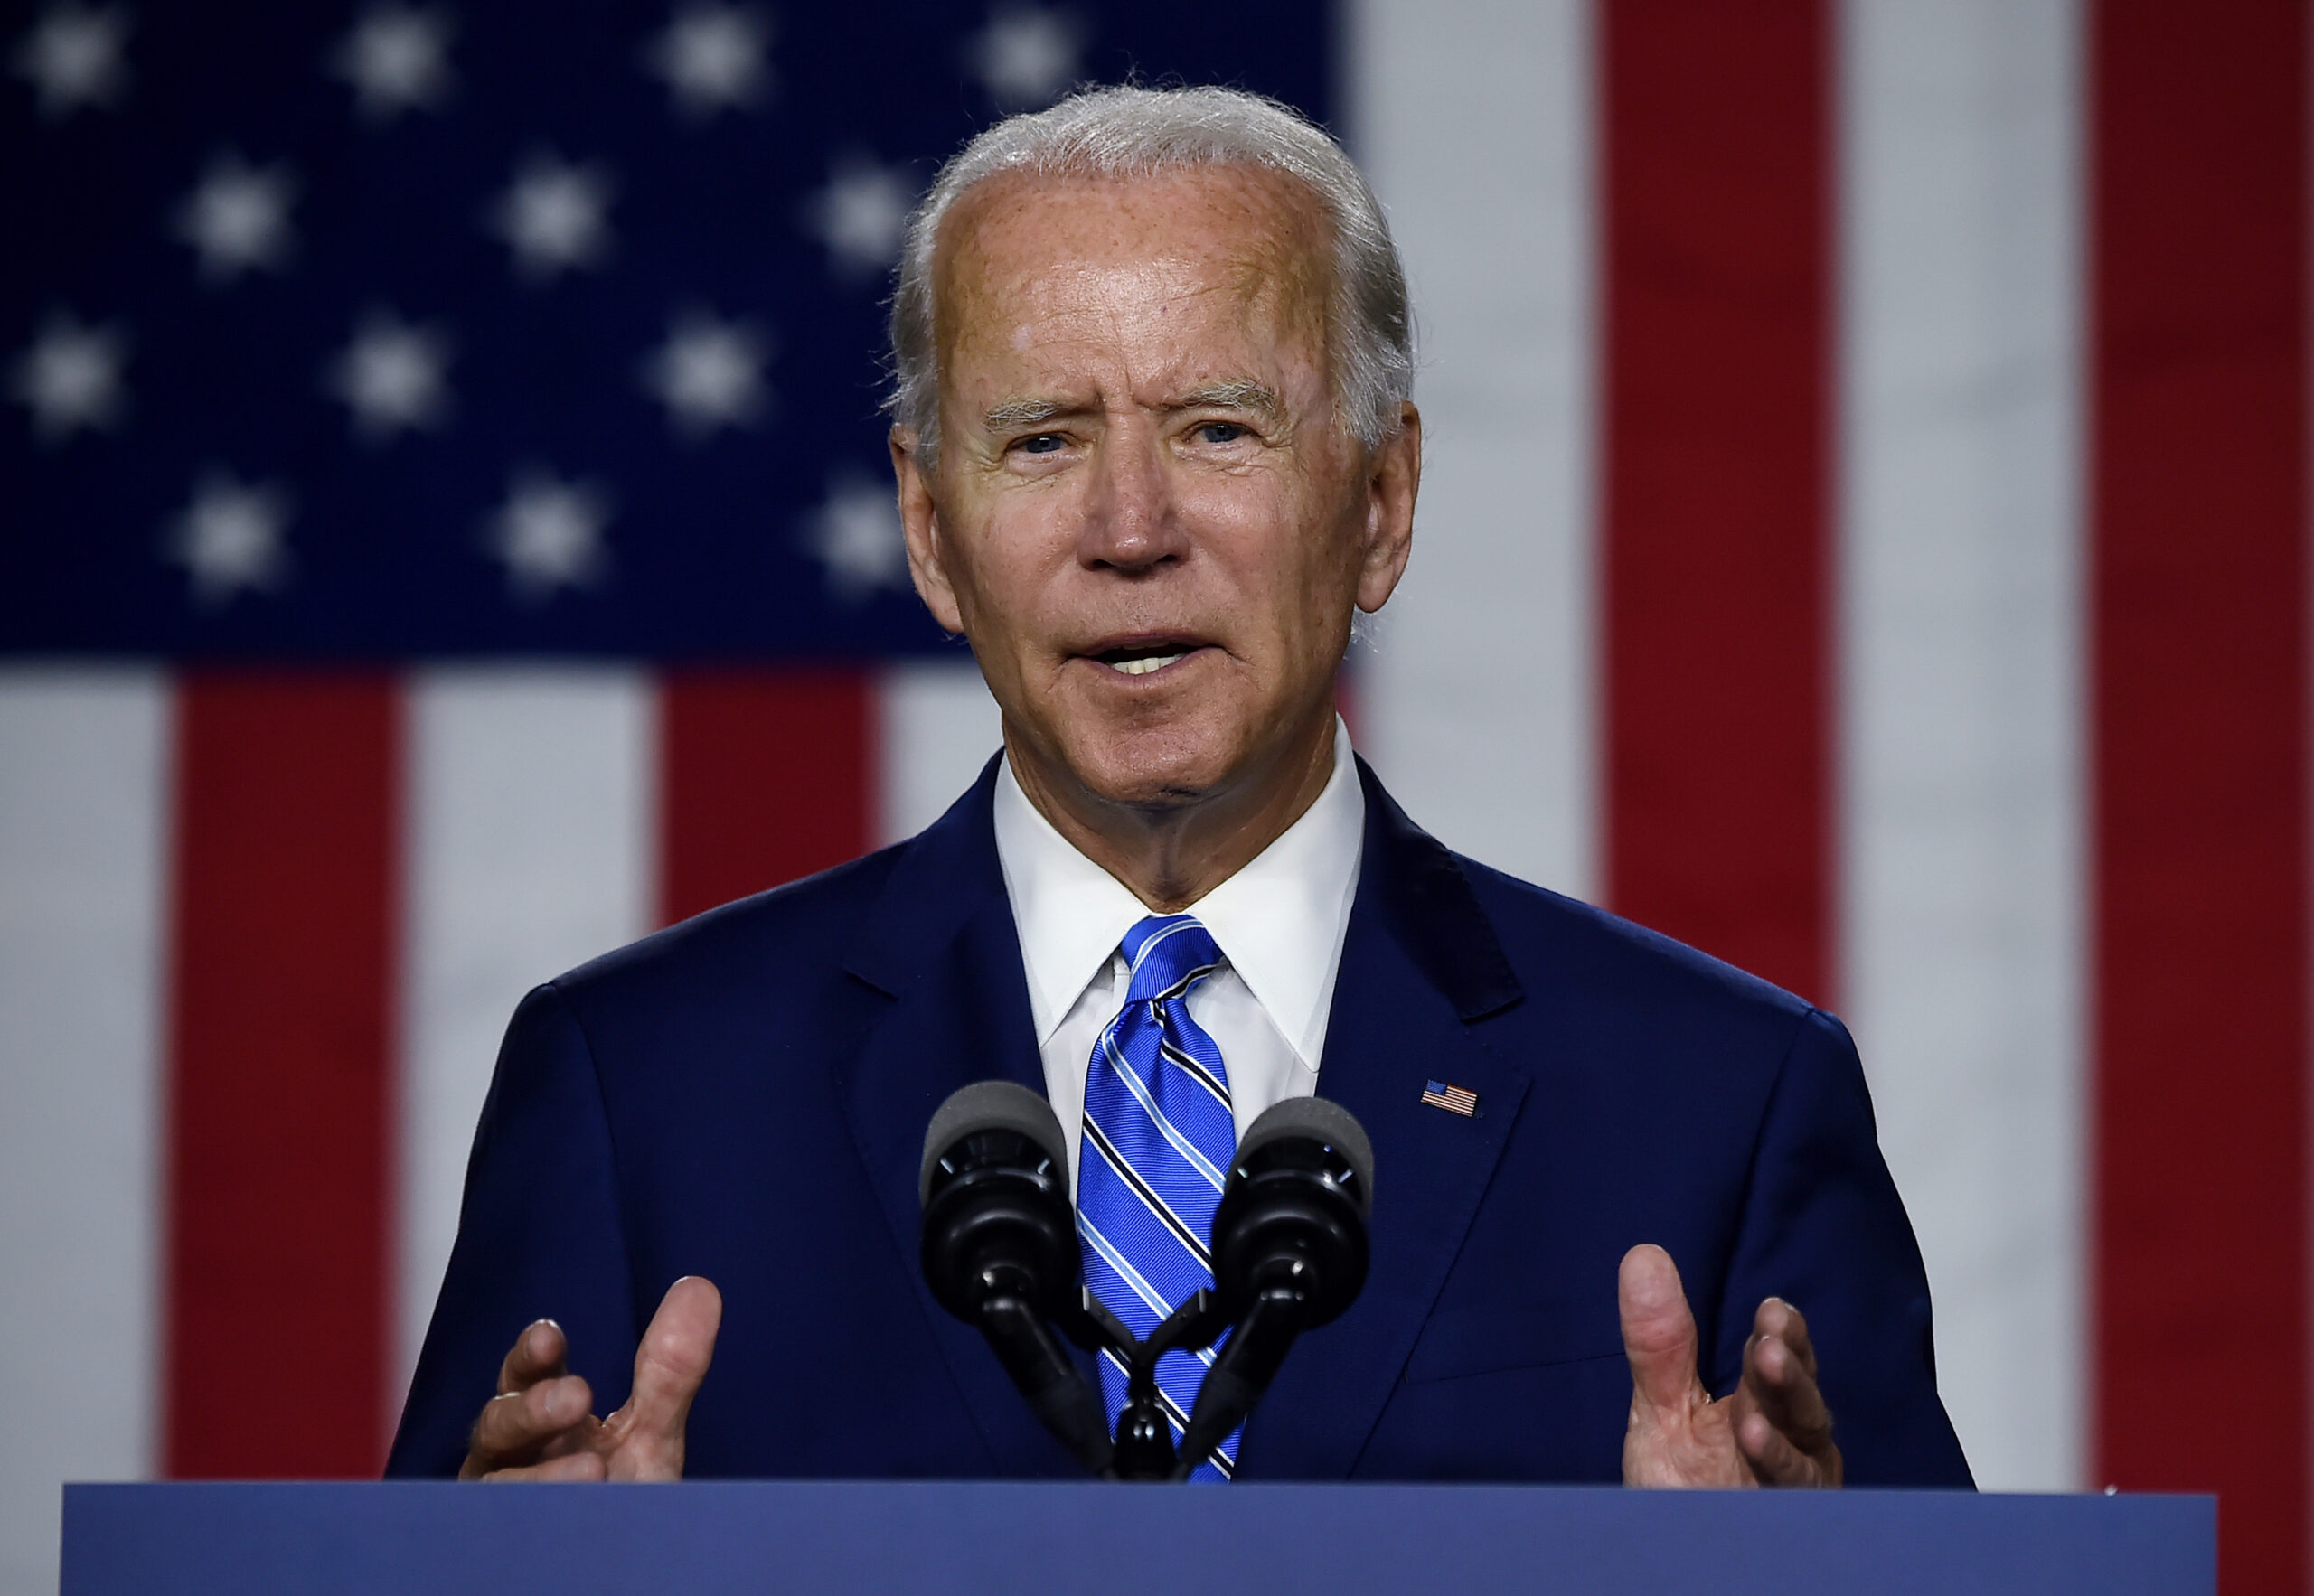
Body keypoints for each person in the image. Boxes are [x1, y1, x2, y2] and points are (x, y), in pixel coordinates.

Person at [385, 85, 1971, 1489]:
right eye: (1042, 441)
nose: (1130, 526)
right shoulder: (642, 1092)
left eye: (1219, 430)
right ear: (932, 533)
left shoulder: (1717, 1107)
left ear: (1381, 503)